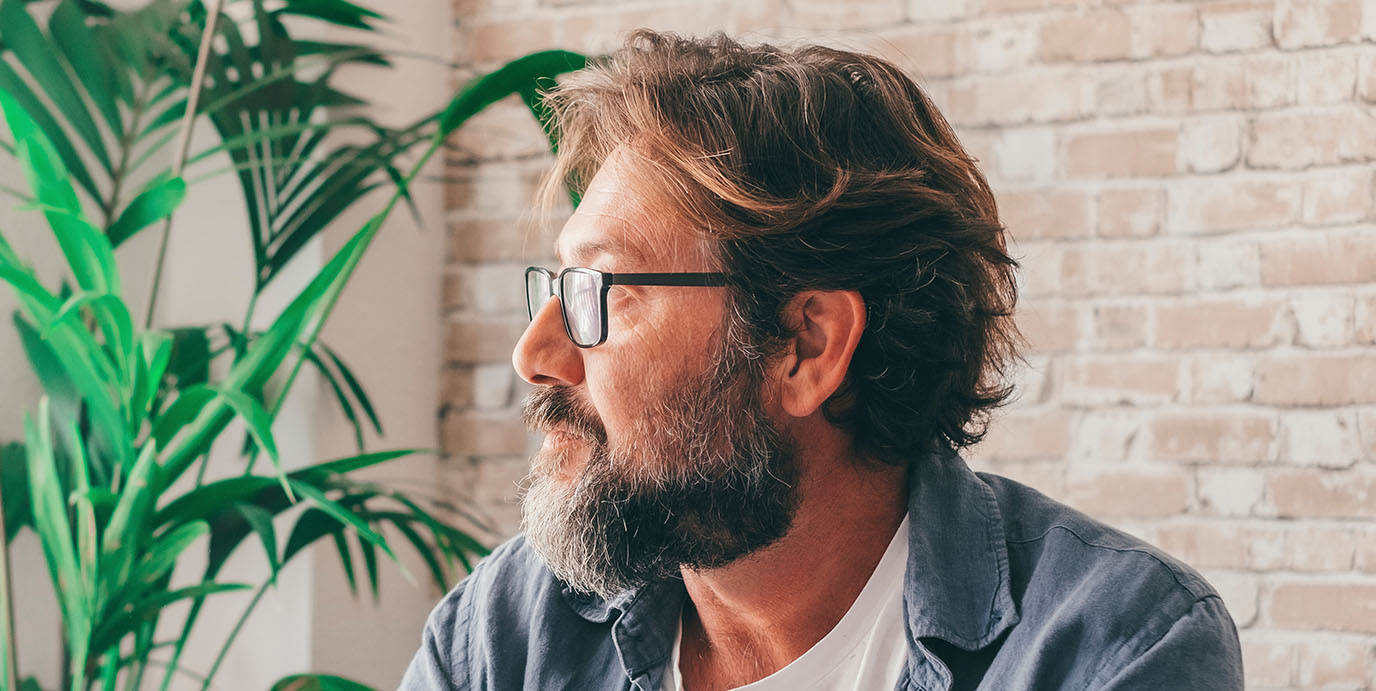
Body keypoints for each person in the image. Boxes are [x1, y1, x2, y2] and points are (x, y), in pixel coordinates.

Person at [399, 30, 1243, 691]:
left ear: (806, 345)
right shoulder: (505, 633)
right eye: (555, 284)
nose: (536, 352)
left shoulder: (1109, 648)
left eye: (602, 292)